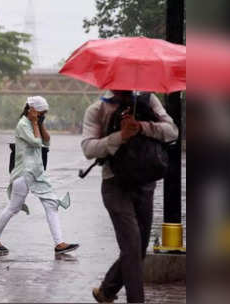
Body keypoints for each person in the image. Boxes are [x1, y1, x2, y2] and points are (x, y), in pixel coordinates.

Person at [82, 90, 178, 303]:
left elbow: (172, 131)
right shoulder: (97, 109)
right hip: (115, 185)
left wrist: (142, 127)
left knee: (138, 248)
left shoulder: (149, 101)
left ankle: (107, 290)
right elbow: (88, 148)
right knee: (132, 247)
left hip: (145, 183)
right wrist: (120, 136)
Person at [0, 96, 79, 254]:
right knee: (13, 208)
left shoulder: (34, 124)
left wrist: (40, 123)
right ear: (33, 110)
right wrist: (35, 123)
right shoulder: (23, 124)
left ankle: (59, 244)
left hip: (36, 172)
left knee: (51, 205)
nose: (43, 116)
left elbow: (47, 141)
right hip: (24, 173)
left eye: (45, 114)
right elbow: (36, 142)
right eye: (42, 113)